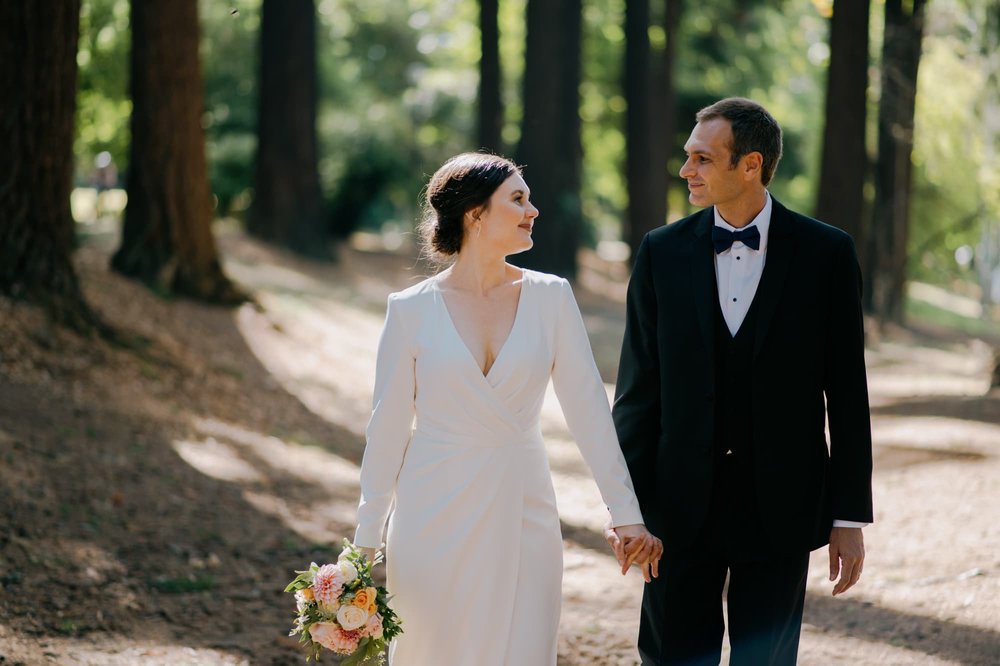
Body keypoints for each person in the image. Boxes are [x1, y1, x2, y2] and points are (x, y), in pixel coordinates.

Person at [353, 152, 662, 665]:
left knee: (522, 646)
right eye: (517, 199)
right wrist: (365, 541)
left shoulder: (551, 298)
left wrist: (625, 513)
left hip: (524, 505)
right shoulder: (409, 310)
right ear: (475, 214)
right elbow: (385, 431)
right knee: (432, 649)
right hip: (432, 510)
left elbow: (589, 411)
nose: (533, 210)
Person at [609, 98, 874, 665]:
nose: (687, 171)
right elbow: (637, 393)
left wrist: (848, 517)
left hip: (781, 505)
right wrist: (625, 508)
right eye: (688, 157)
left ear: (750, 165)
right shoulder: (660, 252)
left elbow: (848, 394)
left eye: (702, 159)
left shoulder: (826, 253)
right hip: (675, 509)